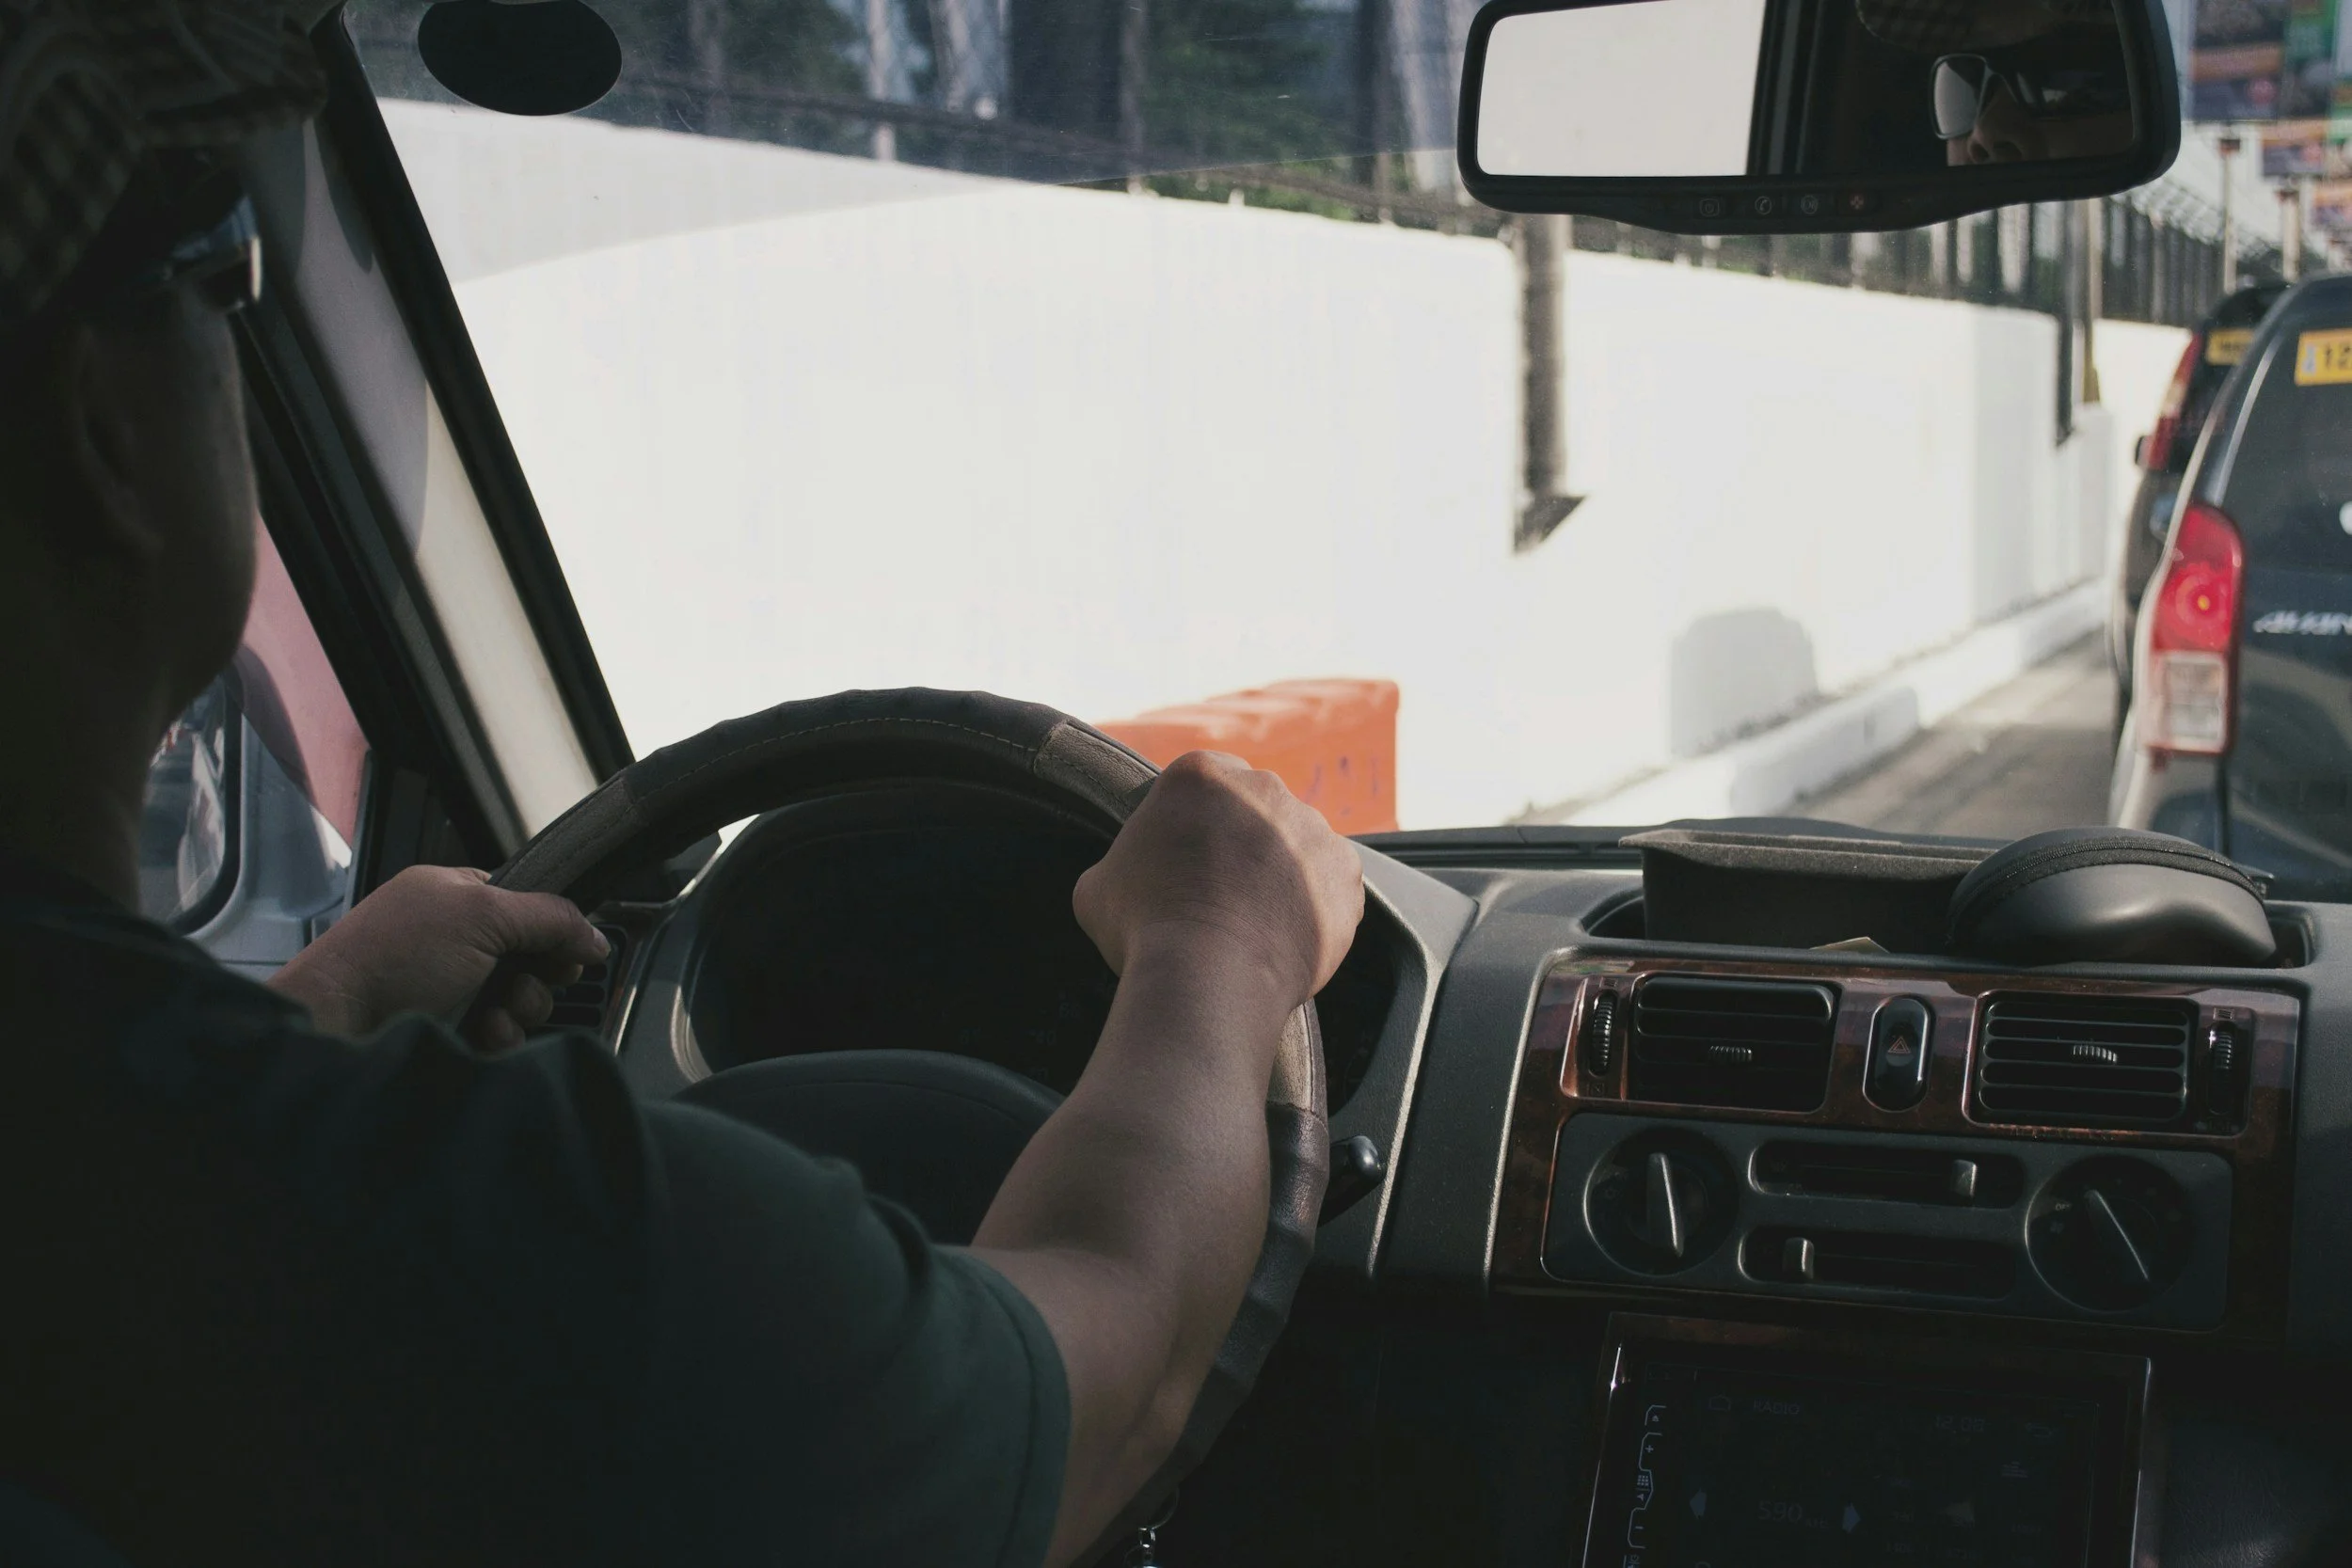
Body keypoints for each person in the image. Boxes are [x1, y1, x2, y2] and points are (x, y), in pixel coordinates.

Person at [0, 4, 1365, 1565]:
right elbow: (1108, 1383)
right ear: (104, 427)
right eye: (227, 273)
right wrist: (1224, 949)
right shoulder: (540, 1260)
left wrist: (306, 1017)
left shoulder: (148, 1189)